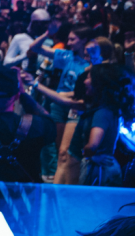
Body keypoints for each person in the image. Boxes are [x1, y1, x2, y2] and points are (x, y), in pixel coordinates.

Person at [25, 64, 135, 186]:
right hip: (82, 162)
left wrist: (87, 154)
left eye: (89, 78)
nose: (85, 81)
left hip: (90, 166)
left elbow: (93, 144)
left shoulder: (102, 113)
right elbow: (62, 100)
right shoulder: (99, 107)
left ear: (100, 84)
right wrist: (34, 84)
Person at [29, 25, 93, 184]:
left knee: (69, 152)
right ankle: (57, 186)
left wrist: (61, 95)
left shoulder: (91, 63)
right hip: (58, 105)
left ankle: (68, 187)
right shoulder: (67, 56)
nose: (69, 42)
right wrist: (47, 34)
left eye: (73, 39)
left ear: (84, 40)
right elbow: (35, 48)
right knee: (60, 152)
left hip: (75, 105)